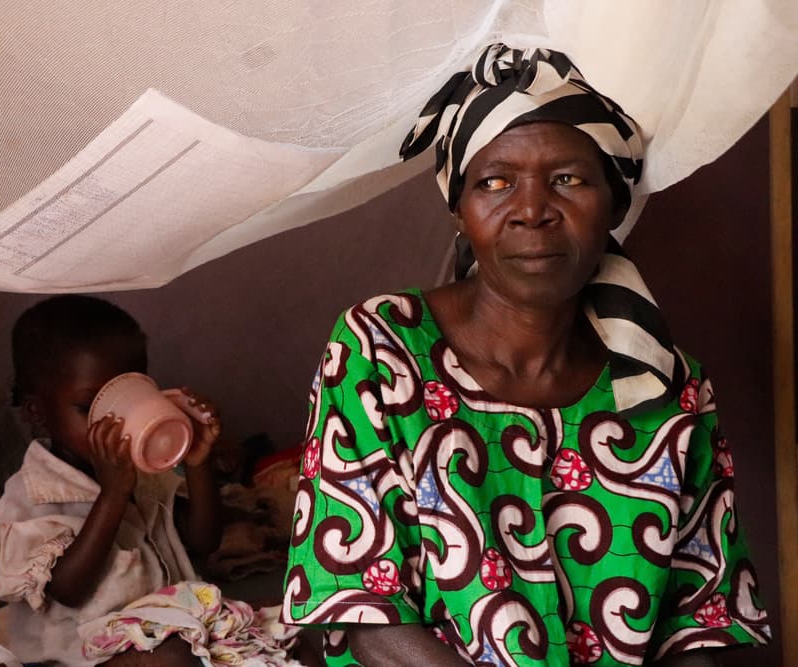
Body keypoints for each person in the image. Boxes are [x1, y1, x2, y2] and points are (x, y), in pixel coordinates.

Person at [282, 44, 771, 666]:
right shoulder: (380, 349)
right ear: (459, 210)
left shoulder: (667, 384)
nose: (533, 211)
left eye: (567, 180)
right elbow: (363, 610)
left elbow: (699, 625)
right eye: (495, 182)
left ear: (613, 206)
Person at [0, 295, 299, 666]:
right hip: (79, 655)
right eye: (88, 407)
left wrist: (198, 462)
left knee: (284, 632)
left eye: (124, 400)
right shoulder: (33, 494)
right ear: (37, 413)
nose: (111, 422)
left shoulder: (145, 471)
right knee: (173, 659)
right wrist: (113, 494)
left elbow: (202, 541)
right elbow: (68, 588)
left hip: (162, 630)